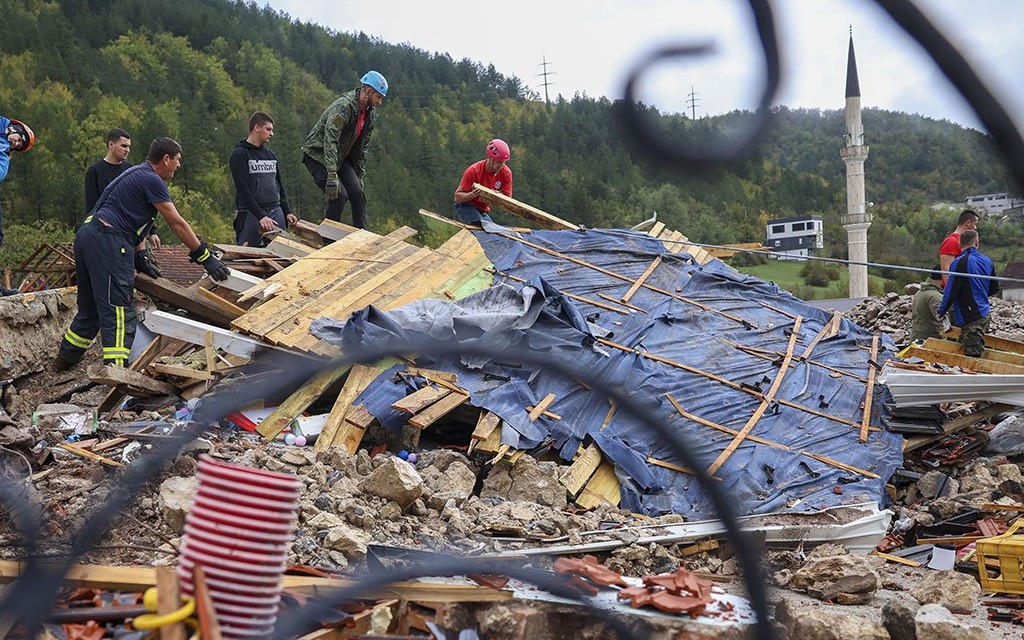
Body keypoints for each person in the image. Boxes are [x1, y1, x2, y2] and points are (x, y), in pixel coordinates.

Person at [57, 137, 230, 370]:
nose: (179, 165)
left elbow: (135, 223)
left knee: (90, 310)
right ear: (166, 159)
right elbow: (176, 223)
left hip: (88, 236)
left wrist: (140, 256)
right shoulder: (152, 180)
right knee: (118, 310)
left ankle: (63, 362)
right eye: (177, 160)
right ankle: (116, 373)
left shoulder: (135, 174)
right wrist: (203, 256)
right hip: (108, 240)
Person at [301, 70, 388, 229]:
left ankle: (362, 236)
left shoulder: (370, 114)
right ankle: (327, 239)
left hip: (340, 157)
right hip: (318, 155)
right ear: (368, 92)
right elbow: (330, 138)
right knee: (338, 195)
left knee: (358, 194)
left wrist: (359, 175)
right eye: (378, 97)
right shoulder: (344, 106)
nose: (379, 102)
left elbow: (363, 147)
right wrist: (332, 174)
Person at [230, 111, 296, 247]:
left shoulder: (271, 155)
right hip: (250, 214)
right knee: (247, 256)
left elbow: (279, 186)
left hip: (275, 211)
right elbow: (243, 190)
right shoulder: (240, 155)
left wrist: (287, 211)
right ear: (257, 128)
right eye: (268, 129)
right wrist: (261, 216)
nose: (271, 133)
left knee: (281, 255)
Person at [937, 230, 999, 357]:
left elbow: (951, 291)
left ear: (959, 244)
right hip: (984, 313)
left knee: (972, 354)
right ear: (977, 243)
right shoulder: (987, 260)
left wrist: (941, 311)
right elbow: (994, 288)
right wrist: (979, 294)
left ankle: (972, 375)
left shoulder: (959, 262)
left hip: (970, 316)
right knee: (976, 346)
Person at [452, 139, 513, 225]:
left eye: (503, 162)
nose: (501, 166)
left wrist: (497, 197)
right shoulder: (473, 171)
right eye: (499, 162)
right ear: (491, 158)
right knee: (483, 227)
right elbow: (458, 197)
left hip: (483, 209)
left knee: (494, 233)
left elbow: (507, 200)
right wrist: (473, 194)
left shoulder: (506, 173)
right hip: (465, 205)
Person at [0, 116, 35, 250]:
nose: (16, 144)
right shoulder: (2, 124)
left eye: (18, 145)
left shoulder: (4, 152)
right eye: (19, 139)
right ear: (17, 129)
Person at [84, 128, 133, 213]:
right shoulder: (95, 171)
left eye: (128, 147)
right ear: (111, 145)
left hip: (127, 223)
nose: (127, 150)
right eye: (124, 146)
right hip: (103, 222)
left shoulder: (130, 170)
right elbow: (91, 206)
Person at [938, 209, 979, 285]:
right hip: (956, 290)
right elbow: (945, 269)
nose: (976, 227)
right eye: (975, 224)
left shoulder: (969, 243)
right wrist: (951, 291)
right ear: (968, 223)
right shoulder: (951, 241)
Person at [909, 266, 946, 342]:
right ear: (943, 277)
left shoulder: (921, 291)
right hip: (929, 341)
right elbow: (942, 322)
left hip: (917, 337)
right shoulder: (935, 296)